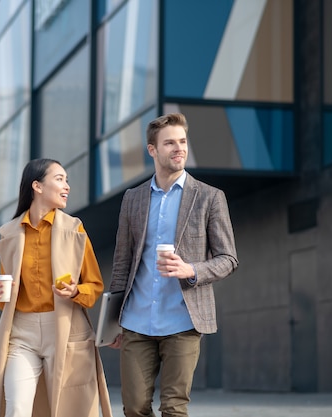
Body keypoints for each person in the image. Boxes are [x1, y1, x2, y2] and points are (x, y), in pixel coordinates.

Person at [109, 113, 238, 417]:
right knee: (134, 408)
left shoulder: (209, 197)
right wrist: (112, 322)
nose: (179, 148)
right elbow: (122, 262)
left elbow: (228, 258)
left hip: (183, 321)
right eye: (169, 143)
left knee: (174, 408)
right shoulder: (133, 199)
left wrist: (190, 270)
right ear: (152, 150)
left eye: (182, 141)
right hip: (136, 321)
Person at [0, 158, 113, 417]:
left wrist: (76, 291)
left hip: (65, 329)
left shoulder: (75, 230)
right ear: (37, 186)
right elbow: (6, 298)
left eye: (66, 180)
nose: (66, 186)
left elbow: (94, 284)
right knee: (17, 408)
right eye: (59, 179)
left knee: (69, 409)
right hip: (22, 333)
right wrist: (1, 295)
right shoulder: (10, 234)